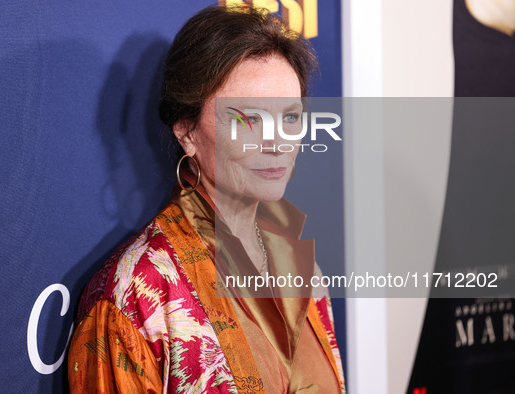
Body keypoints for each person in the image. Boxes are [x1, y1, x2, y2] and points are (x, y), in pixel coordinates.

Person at [67, 5, 345, 393]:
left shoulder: (302, 267)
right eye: (248, 119)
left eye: (290, 117)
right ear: (187, 132)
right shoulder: (136, 295)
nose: (277, 142)